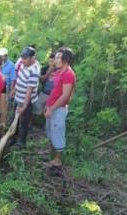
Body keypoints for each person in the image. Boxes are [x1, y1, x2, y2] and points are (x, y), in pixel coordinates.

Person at [44, 47, 76, 175]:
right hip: (52, 107)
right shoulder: (59, 72)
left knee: (57, 132)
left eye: (58, 57)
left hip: (58, 109)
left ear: (66, 60)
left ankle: (57, 160)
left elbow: (65, 96)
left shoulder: (69, 74)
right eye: (56, 57)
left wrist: (52, 108)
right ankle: (51, 153)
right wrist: (47, 105)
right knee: (50, 131)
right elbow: (54, 91)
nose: (55, 60)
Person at [10, 47, 40, 148]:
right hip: (18, 97)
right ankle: (13, 138)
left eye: (25, 58)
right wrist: (14, 89)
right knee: (14, 119)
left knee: (24, 122)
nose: (23, 60)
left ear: (32, 58)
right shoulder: (23, 64)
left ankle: (21, 143)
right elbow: (19, 77)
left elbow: (29, 90)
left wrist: (24, 105)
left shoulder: (34, 71)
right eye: (22, 57)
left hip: (26, 100)